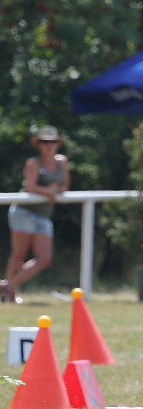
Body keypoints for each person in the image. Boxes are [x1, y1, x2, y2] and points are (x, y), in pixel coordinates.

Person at [1, 125, 70, 304]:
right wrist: (50, 192)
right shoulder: (33, 163)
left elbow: (65, 185)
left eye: (53, 142)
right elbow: (30, 186)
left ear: (58, 144)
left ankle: (7, 285)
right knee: (19, 255)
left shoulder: (62, 161)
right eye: (45, 142)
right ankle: (9, 294)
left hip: (43, 216)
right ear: (39, 144)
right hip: (24, 212)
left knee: (44, 259)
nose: (49, 145)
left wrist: (54, 191)